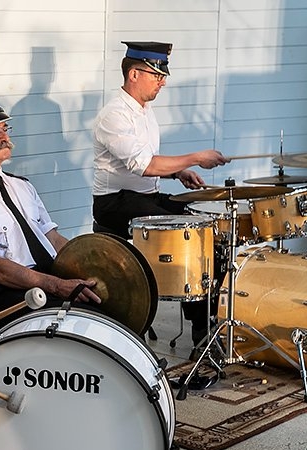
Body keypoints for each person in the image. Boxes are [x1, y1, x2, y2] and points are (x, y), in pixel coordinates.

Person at [92, 41, 230, 344]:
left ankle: (205, 322)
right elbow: (142, 165)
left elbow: (149, 161)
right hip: (114, 203)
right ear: (134, 74)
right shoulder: (114, 115)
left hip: (143, 196)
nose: (163, 81)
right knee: (189, 233)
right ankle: (201, 332)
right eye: (157, 75)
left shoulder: (144, 110)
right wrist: (195, 158)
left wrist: (177, 172)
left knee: (206, 228)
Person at [0, 88, 101, 325]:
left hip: (46, 280)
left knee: (106, 296)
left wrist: (91, 267)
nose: (3, 137)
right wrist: (57, 285)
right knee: (87, 314)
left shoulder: (21, 185)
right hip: (6, 296)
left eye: (5, 129)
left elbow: (52, 238)